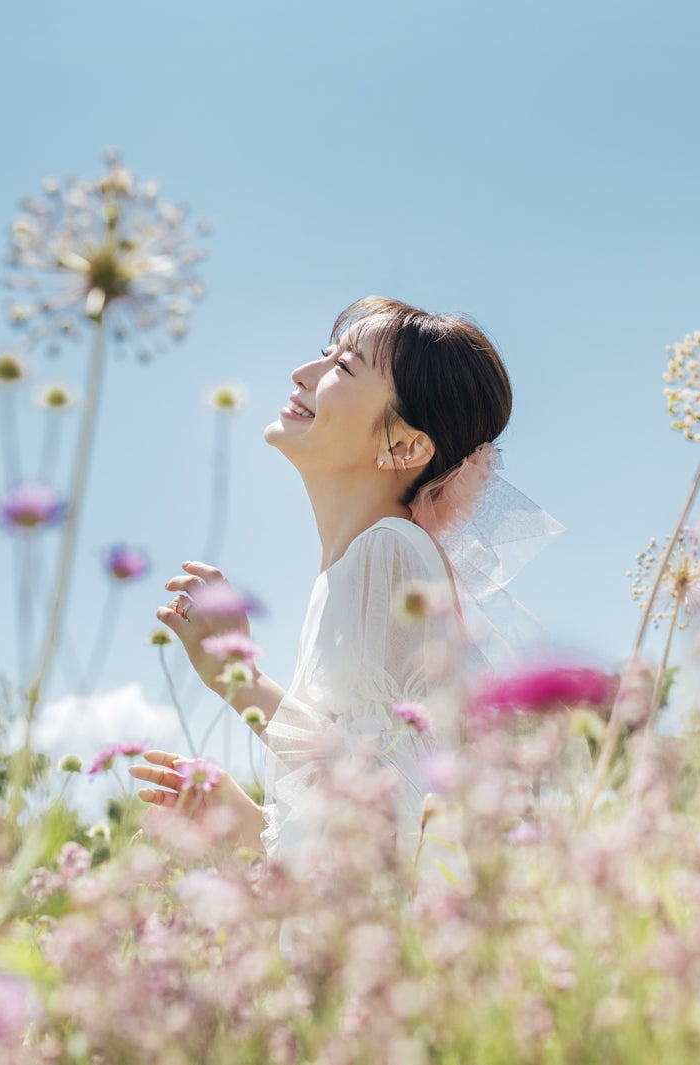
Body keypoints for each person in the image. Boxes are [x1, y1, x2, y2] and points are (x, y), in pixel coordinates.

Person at [129, 295, 558, 872]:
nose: (303, 373)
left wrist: (238, 680)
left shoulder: (388, 551)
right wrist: (247, 823)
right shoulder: (360, 565)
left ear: (405, 445)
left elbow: (385, 808)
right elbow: (379, 819)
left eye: (344, 366)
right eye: (324, 355)